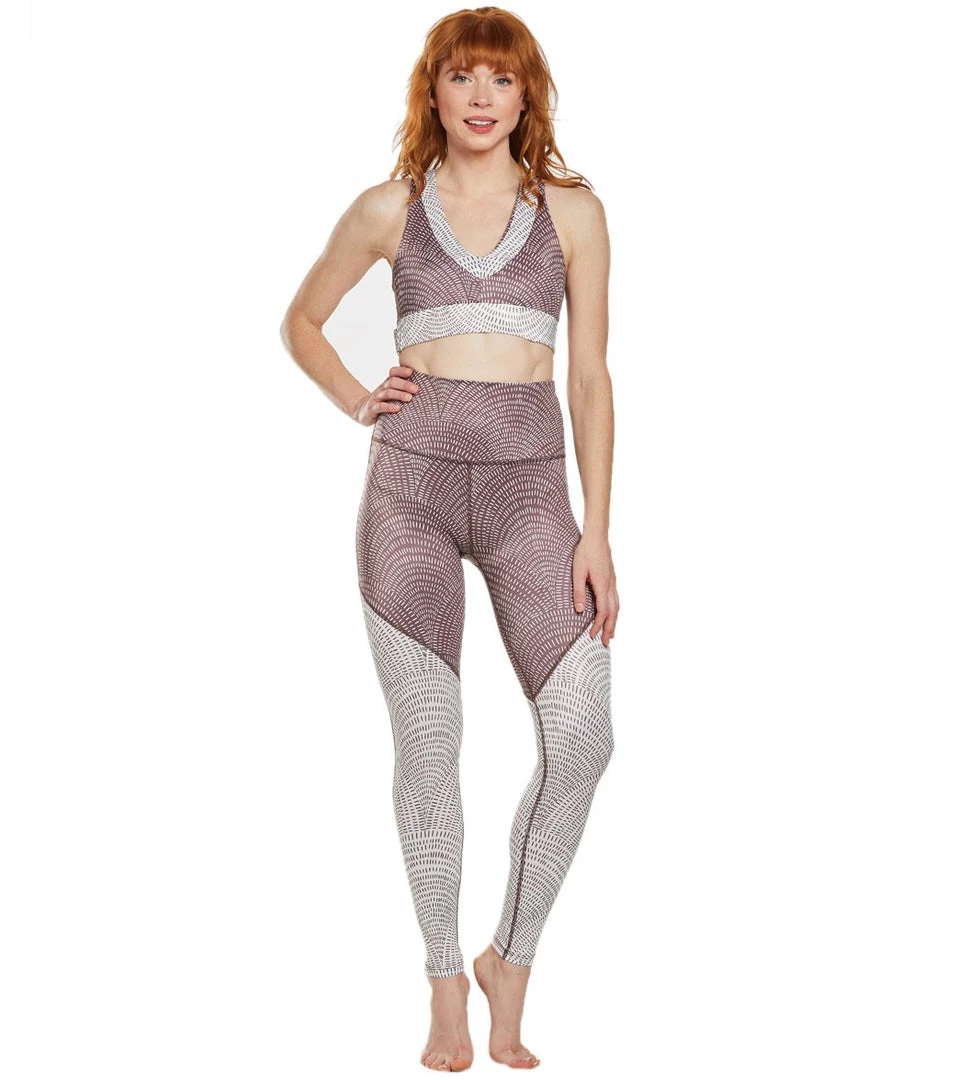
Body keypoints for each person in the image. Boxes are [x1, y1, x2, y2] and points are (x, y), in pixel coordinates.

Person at [280, 6, 618, 1071]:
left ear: (527, 97)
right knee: (429, 743)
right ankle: (442, 982)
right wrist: (356, 398)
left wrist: (598, 532)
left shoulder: (572, 212)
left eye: (501, 80)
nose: (481, 97)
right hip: (409, 496)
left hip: (531, 499)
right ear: (432, 91)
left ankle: (507, 960)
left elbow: (589, 377)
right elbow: (300, 320)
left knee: (583, 735)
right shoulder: (388, 208)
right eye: (461, 76)